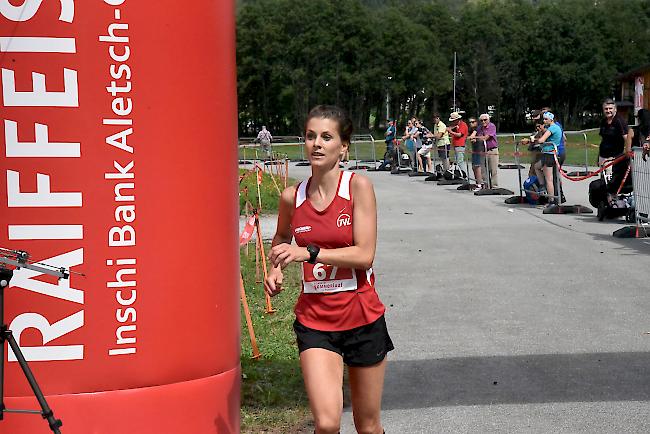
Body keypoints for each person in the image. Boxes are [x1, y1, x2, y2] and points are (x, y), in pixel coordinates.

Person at [265, 105, 393, 434]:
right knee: (326, 423)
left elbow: (365, 255)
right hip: (315, 321)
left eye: (326, 137)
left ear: (343, 147)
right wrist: (275, 266)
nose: (317, 144)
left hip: (362, 317)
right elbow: (280, 237)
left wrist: (309, 253)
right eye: (310, 137)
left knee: (367, 425)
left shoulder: (358, 188)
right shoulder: (292, 197)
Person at [534, 112, 563, 205]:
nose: (544, 121)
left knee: (549, 179)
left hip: (549, 154)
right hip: (549, 153)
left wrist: (533, 140)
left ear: (551, 119)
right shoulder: (555, 127)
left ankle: (551, 200)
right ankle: (542, 186)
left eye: (546, 119)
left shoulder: (552, 128)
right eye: (544, 119)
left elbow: (542, 140)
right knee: (537, 166)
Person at [475, 113, 499, 187]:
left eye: (485, 120)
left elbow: (486, 137)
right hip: (482, 150)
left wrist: (476, 138)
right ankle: (486, 185)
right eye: (481, 120)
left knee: (493, 169)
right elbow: (476, 136)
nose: (483, 122)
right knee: (483, 169)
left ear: (488, 120)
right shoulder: (479, 128)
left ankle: (494, 186)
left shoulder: (492, 126)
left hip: (492, 150)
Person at [467, 117, 485, 190]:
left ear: (476, 122)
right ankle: (478, 182)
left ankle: (480, 184)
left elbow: (473, 136)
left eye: (473, 122)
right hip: (475, 150)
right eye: (470, 122)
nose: (471, 123)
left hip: (479, 149)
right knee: (474, 167)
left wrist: (473, 138)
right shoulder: (471, 129)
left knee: (477, 167)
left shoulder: (478, 128)